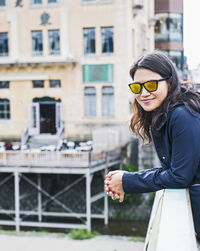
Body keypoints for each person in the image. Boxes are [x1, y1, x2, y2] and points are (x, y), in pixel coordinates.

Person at [104, 51, 200, 240]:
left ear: (170, 82)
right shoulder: (163, 114)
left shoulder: (182, 116)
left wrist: (127, 182)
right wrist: (124, 179)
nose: (144, 93)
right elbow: (173, 170)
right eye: (137, 87)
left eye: (151, 84)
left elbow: (179, 176)